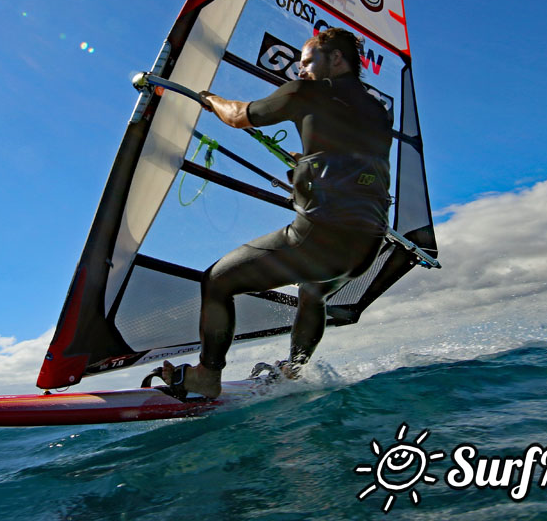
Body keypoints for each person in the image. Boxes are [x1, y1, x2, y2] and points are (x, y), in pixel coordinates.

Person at [157, 27, 392, 399]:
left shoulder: (306, 92)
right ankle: (293, 369)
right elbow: (352, 160)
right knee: (313, 292)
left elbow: (238, 116)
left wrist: (206, 97)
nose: (300, 71)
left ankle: (206, 374)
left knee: (217, 281)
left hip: (318, 239)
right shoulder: (379, 112)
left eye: (307, 61)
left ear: (335, 58)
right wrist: (306, 165)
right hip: (366, 246)